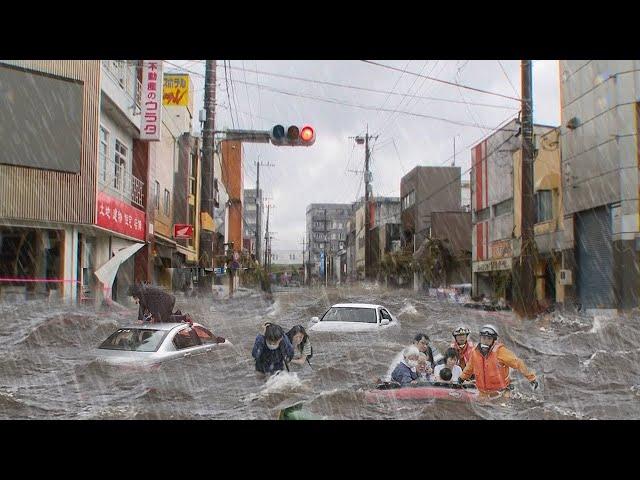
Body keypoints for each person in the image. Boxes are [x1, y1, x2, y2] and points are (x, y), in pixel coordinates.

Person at [458, 324, 539, 397]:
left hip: (500, 391)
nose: (485, 341)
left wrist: (532, 378)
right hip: (482, 392)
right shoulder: (475, 352)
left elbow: (518, 363)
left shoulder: (501, 352)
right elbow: (469, 367)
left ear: (494, 340)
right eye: (483, 338)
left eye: (489, 338)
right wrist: (461, 378)